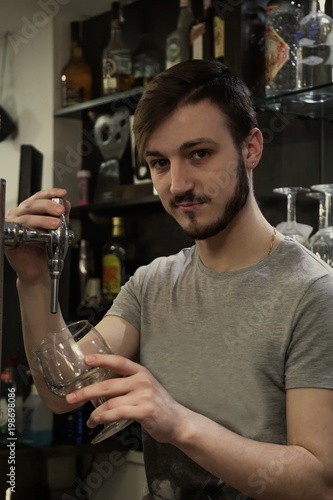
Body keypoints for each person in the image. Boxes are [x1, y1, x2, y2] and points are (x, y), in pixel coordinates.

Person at [5, 59, 333, 500]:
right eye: (160, 163)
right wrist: (33, 280)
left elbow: (319, 480)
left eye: (199, 153)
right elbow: (66, 392)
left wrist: (177, 423)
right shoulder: (153, 284)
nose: (178, 184)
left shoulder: (313, 294)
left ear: (251, 147)